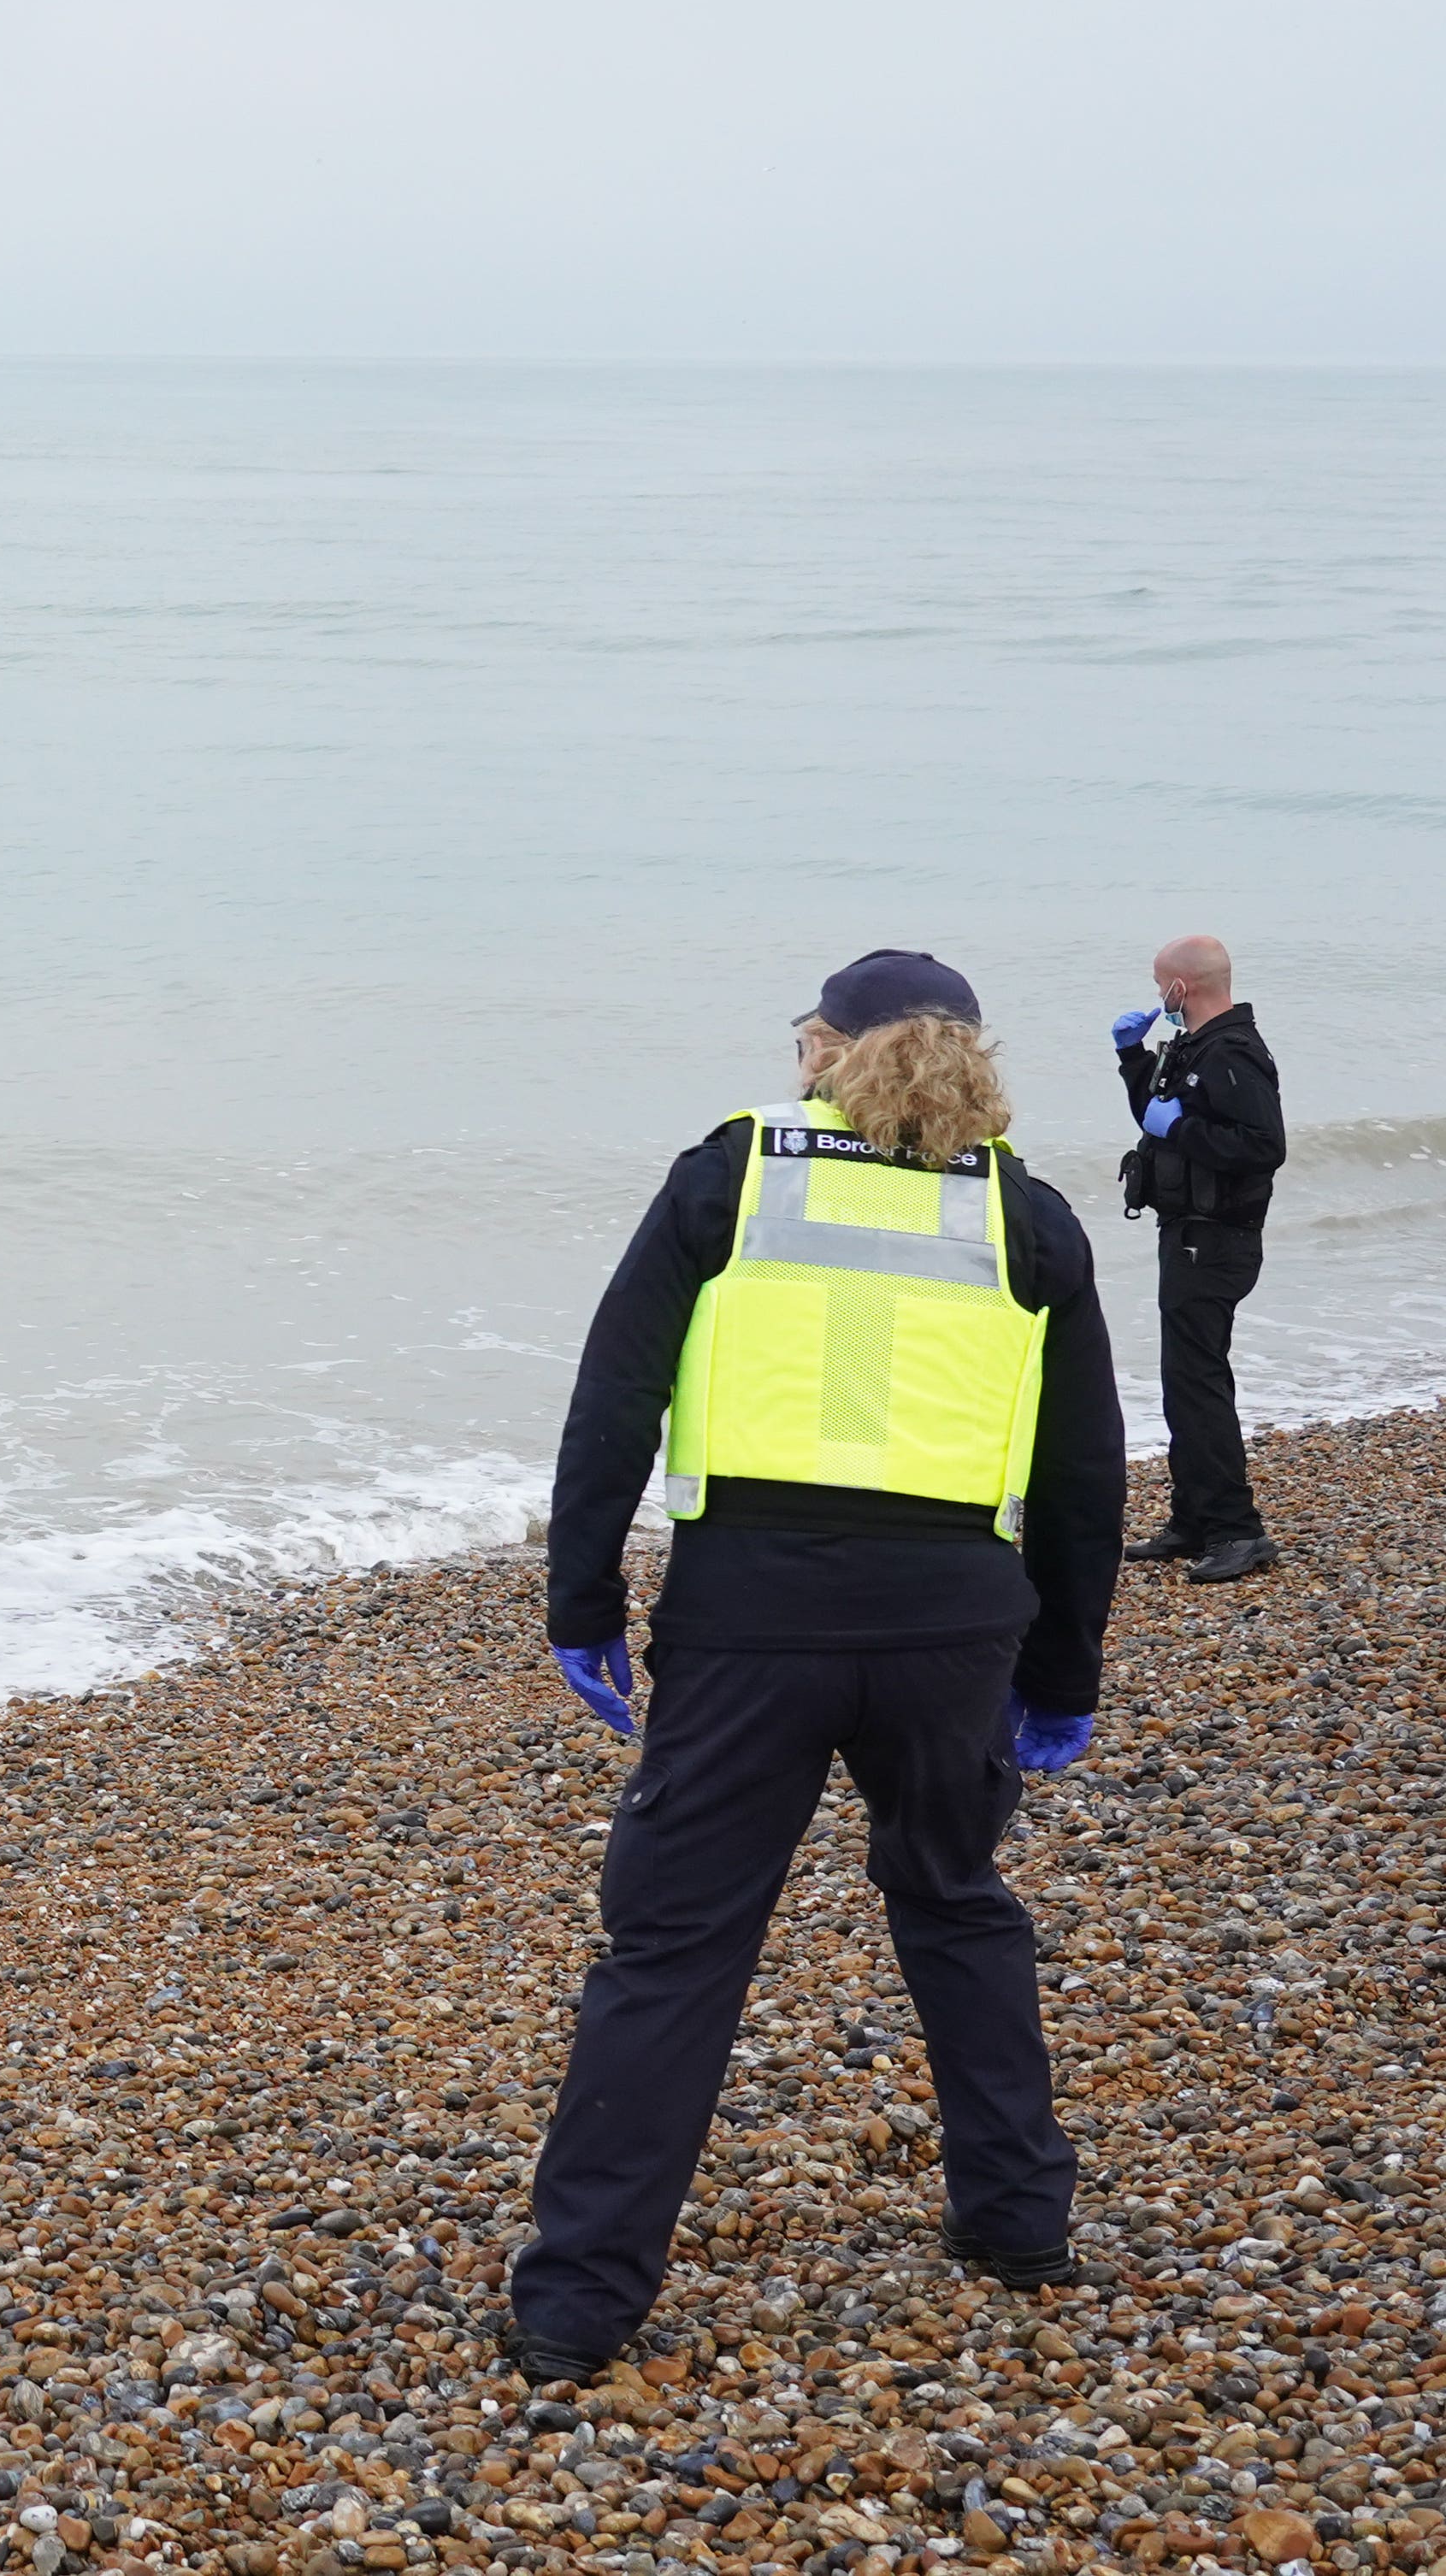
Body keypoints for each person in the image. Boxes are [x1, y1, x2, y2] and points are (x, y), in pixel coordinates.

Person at [504, 949, 1124, 2378]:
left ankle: (577, 2302)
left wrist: (580, 1596)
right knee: (955, 1898)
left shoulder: (728, 1177)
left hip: (748, 1621)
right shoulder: (1022, 1214)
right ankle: (1019, 2218)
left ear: (829, 1050)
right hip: (954, 1623)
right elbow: (1083, 1470)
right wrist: (1064, 1667)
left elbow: (614, 1396)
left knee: (671, 1949)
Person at [1116, 936, 1286, 1583]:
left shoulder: (1233, 1051)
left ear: (1179, 988)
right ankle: (1192, 1518)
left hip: (1217, 1238)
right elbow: (1150, 1116)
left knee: (1197, 1381)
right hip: (1184, 1229)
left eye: (1158, 983)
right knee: (1181, 1378)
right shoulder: (1189, 1046)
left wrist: (1179, 1130)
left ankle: (1237, 1530)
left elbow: (1262, 1145)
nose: (1155, 995)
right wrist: (1130, 1057)